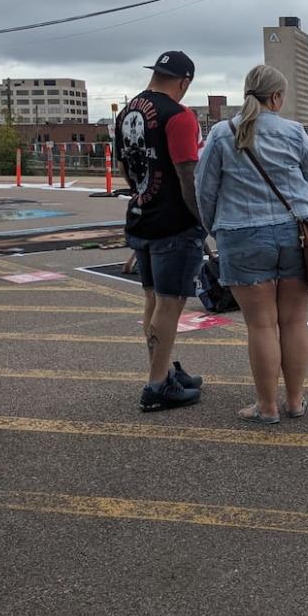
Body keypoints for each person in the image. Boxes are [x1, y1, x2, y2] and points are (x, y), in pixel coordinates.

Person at [195, 64, 308, 424]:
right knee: (295, 320)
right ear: (277, 96)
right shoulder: (294, 131)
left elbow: (204, 191)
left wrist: (217, 230)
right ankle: (295, 401)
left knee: (261, 325)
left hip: (242, 235)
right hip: (297, 233)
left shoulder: (222, 133)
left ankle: (266, 407)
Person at [115, 50, 206, 412]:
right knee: (170, 304)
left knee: (153, 300)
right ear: (184, 82)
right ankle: (156, 385)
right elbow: (188, 174)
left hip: (141, 214)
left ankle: (163, 369)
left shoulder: (126, 112)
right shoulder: (179, 116)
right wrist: (202, 219)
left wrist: (143, 193)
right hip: (174, 222)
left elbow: (124, 168)